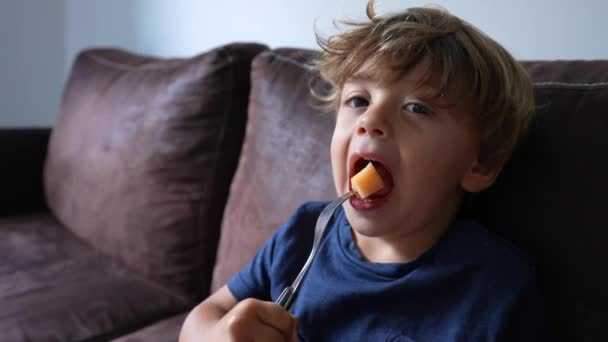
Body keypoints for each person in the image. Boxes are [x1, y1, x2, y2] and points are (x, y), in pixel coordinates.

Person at [180, 1, 550, 340]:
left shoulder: (497, 288)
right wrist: (218, 335)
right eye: (358, 100)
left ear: (480, 163)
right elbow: (201, 318)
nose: (370, 121)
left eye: (416, 108)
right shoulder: (304, 235)